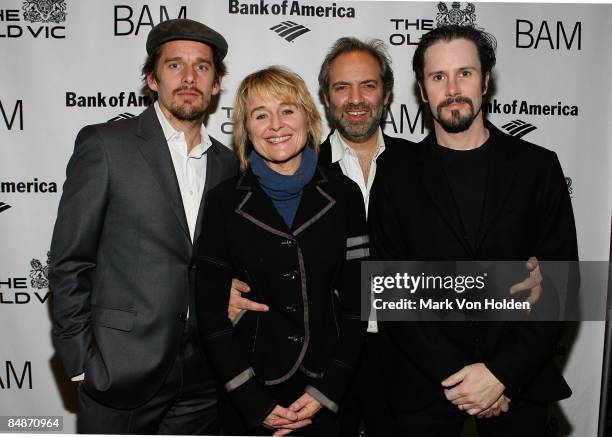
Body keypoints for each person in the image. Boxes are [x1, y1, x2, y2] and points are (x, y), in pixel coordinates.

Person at [229, 36, 545, 437]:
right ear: (325, 99)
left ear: (390, 94)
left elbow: (463, 257)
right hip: (324, 356)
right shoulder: (294, 172)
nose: (356, 98)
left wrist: (514, 307)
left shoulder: (422, 165)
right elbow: (246, 247)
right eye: (342, 87)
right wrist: (222, 286)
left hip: (411, 357)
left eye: (369, 85)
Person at [369, 25, 578, 436]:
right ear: (422, 90)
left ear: (486, 81)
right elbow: (390, 288)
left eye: (464, 73)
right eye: (438, 77)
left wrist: (500, 375)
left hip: (520, 385)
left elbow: (561, 284)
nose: (452, 88)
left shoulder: (539, 168)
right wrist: (462, 380)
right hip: (425, 388)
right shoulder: (394, 173)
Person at [49, 18, 237, 434]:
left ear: (217, 83)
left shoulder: (227, 164)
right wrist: (81, 362)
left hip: (204, 376)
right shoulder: (106, 145)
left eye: (202, 67)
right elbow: (69, 260)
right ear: (151, 78)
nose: (189, 77)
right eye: (174, 66)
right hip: (120, 371)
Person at [194, 66, 368, 436]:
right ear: (245, 128)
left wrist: (328, 389)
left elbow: (358, 304)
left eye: (287, 110)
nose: (276, 124)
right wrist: (252, 401)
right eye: (260, 115)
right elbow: (210, 315)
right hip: (251, 392)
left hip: (326, 390)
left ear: (307, 115)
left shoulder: (346, 195)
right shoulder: (223, 202)